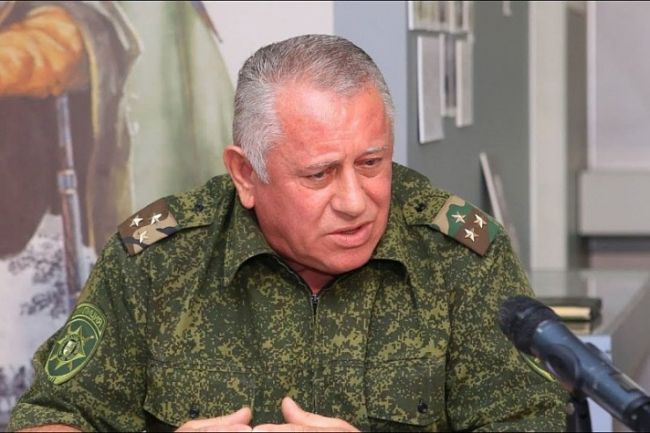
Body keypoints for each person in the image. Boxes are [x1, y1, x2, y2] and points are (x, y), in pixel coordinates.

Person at [9, 34, 567, 432]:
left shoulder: (458, 256)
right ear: (245, 174)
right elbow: (53, 415)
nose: (355, 202)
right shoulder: (159, 259)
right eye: (319, 174)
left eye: (372, 163)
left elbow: (530, 422)